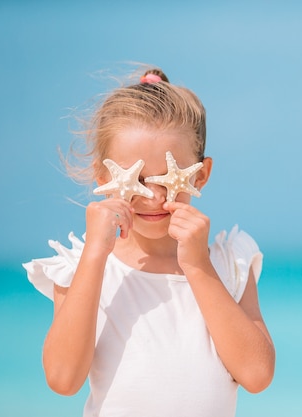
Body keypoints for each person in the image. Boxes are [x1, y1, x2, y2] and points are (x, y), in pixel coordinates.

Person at [23, 67, 275, 417]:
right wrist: (95, 255)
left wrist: (198, 266)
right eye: (136, 179)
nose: (153, 196)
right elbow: (63, 379)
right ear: (103, 177)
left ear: (200, 175)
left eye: (166, 177)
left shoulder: (228, 263)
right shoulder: (82, 267)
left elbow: (257, 375)